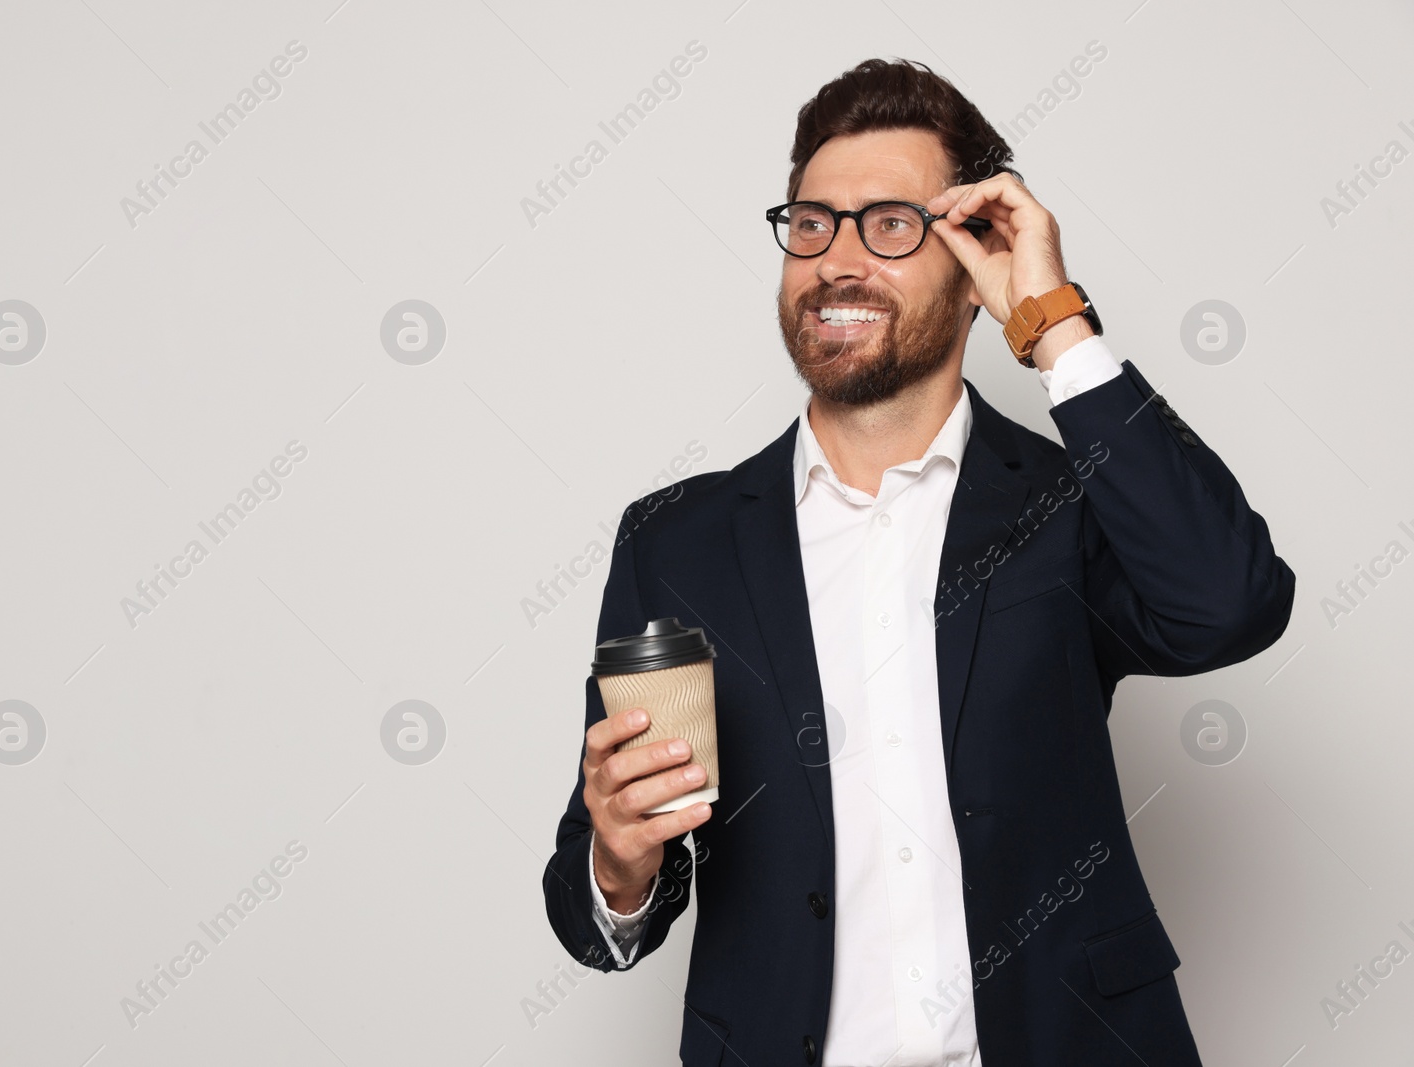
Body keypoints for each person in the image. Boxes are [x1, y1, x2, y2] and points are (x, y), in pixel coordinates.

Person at [541, 58, 1293, 1067]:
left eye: (890, 225)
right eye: (811, 224)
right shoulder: (676, 541)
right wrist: (619, 862)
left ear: (975, 265)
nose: (835, 261)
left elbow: (1229, 601)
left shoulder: (1067, 506)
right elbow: (596, 893)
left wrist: (1055, 321)